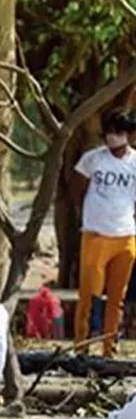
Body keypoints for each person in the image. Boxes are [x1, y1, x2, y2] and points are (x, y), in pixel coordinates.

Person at [73, 110, 136, 355]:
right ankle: (81, 346)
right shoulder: (93, 159)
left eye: (118, 133)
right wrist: (88, 214)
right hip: (96, 235)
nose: (112, 138)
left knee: (116, 298)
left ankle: (110, 346)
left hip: (126, 236)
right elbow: (76, 189)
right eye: (108, 133)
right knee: (89, 294)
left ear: (129, 135)